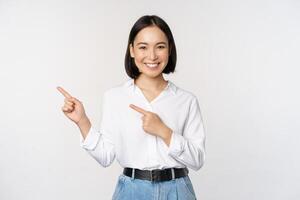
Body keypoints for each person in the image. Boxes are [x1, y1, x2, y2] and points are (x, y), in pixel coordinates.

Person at [57, 15, 206, 200]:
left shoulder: (186, 100)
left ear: (169, 50)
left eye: (160, 47)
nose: (152, 56)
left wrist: (165, 132)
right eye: (143, 47)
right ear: (132, 50)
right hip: (132, 191)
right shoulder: (115, 97)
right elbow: (106, 156)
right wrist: (82, 122)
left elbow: (197, 160)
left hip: (177, 191)